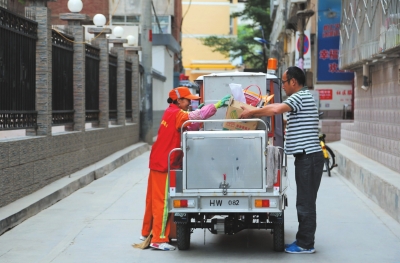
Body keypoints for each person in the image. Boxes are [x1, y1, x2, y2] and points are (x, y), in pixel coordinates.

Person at [240, 66, 324, 254]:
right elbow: (285, 118)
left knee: (305, 202)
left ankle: (305, 244)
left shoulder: (300, 96)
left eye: (284, 82)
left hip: (309, 157)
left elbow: (276, 109)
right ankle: (303, 240)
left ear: (293, 81)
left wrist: (252, 111)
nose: (283, 86)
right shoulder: (303, 98)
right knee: (305, 201)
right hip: (307, 157)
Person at [141, 87, 230, 251]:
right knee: (163, 203)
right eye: (188, 100)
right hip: (165, 164)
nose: (190, 102)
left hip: (157, 161)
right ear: (178, 100)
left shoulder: (170, 112)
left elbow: (189, 124)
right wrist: (215, 106)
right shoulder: (177, 114)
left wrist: (197, 111)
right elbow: (196, 117)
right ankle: (158, 240)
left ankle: (147, 232)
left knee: (152, 200)